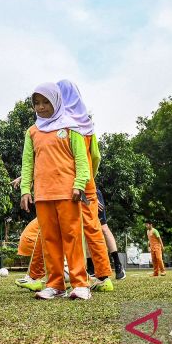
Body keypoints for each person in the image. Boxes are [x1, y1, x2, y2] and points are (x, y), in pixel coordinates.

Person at [20, 82, 91, 300]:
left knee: (72, 238)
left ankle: (80, 284)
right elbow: (27, 163)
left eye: (45, 102)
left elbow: (81, 160)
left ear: (57, 102)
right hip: (42, 195)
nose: (40, 107)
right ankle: (55, 284)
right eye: (36, 103)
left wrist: (79, 183)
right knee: (49, 241)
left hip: (68, 193)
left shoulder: (72, 128)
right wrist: (25, 189)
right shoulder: (32, 132)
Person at [57, 80, 114, 292]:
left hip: (66, 185)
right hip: (88, 184)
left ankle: (75, 277)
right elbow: (96, 156)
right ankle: (104, 277)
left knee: (67, 232)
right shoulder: (87, 124)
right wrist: (90, 177)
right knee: (94, 229)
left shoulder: (60, 125)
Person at [87, 188, 126, 281]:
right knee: (86, 230)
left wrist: (93, 196)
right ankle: (91, 268)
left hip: (91, 193)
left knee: (104, 227)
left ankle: (118, 264)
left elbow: (89, 175)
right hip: (77, 195)